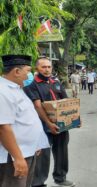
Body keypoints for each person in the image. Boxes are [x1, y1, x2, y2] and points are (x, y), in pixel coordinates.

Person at [24, 57, 75, 187]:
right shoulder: (32, 86)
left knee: (62, 152)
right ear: (37, 69)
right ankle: (38, 183)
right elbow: (38, 106)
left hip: (62, 125)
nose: (47, 70)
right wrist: (48, 123)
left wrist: (76, 118)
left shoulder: (56, 82)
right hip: (43, 127)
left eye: (49, 67)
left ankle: (60, 177)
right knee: (42, 156)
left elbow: (67, 102)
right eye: (43, 67)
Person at [0, 55, 49, 187]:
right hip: (13, 157)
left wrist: (36, 144)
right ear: (16, 71)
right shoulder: (3, 91)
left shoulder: (17, 88)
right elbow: (3, 128)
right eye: (28, 71)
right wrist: (18, 158)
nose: (30, 75)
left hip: (27, 151)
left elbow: (26, 119)